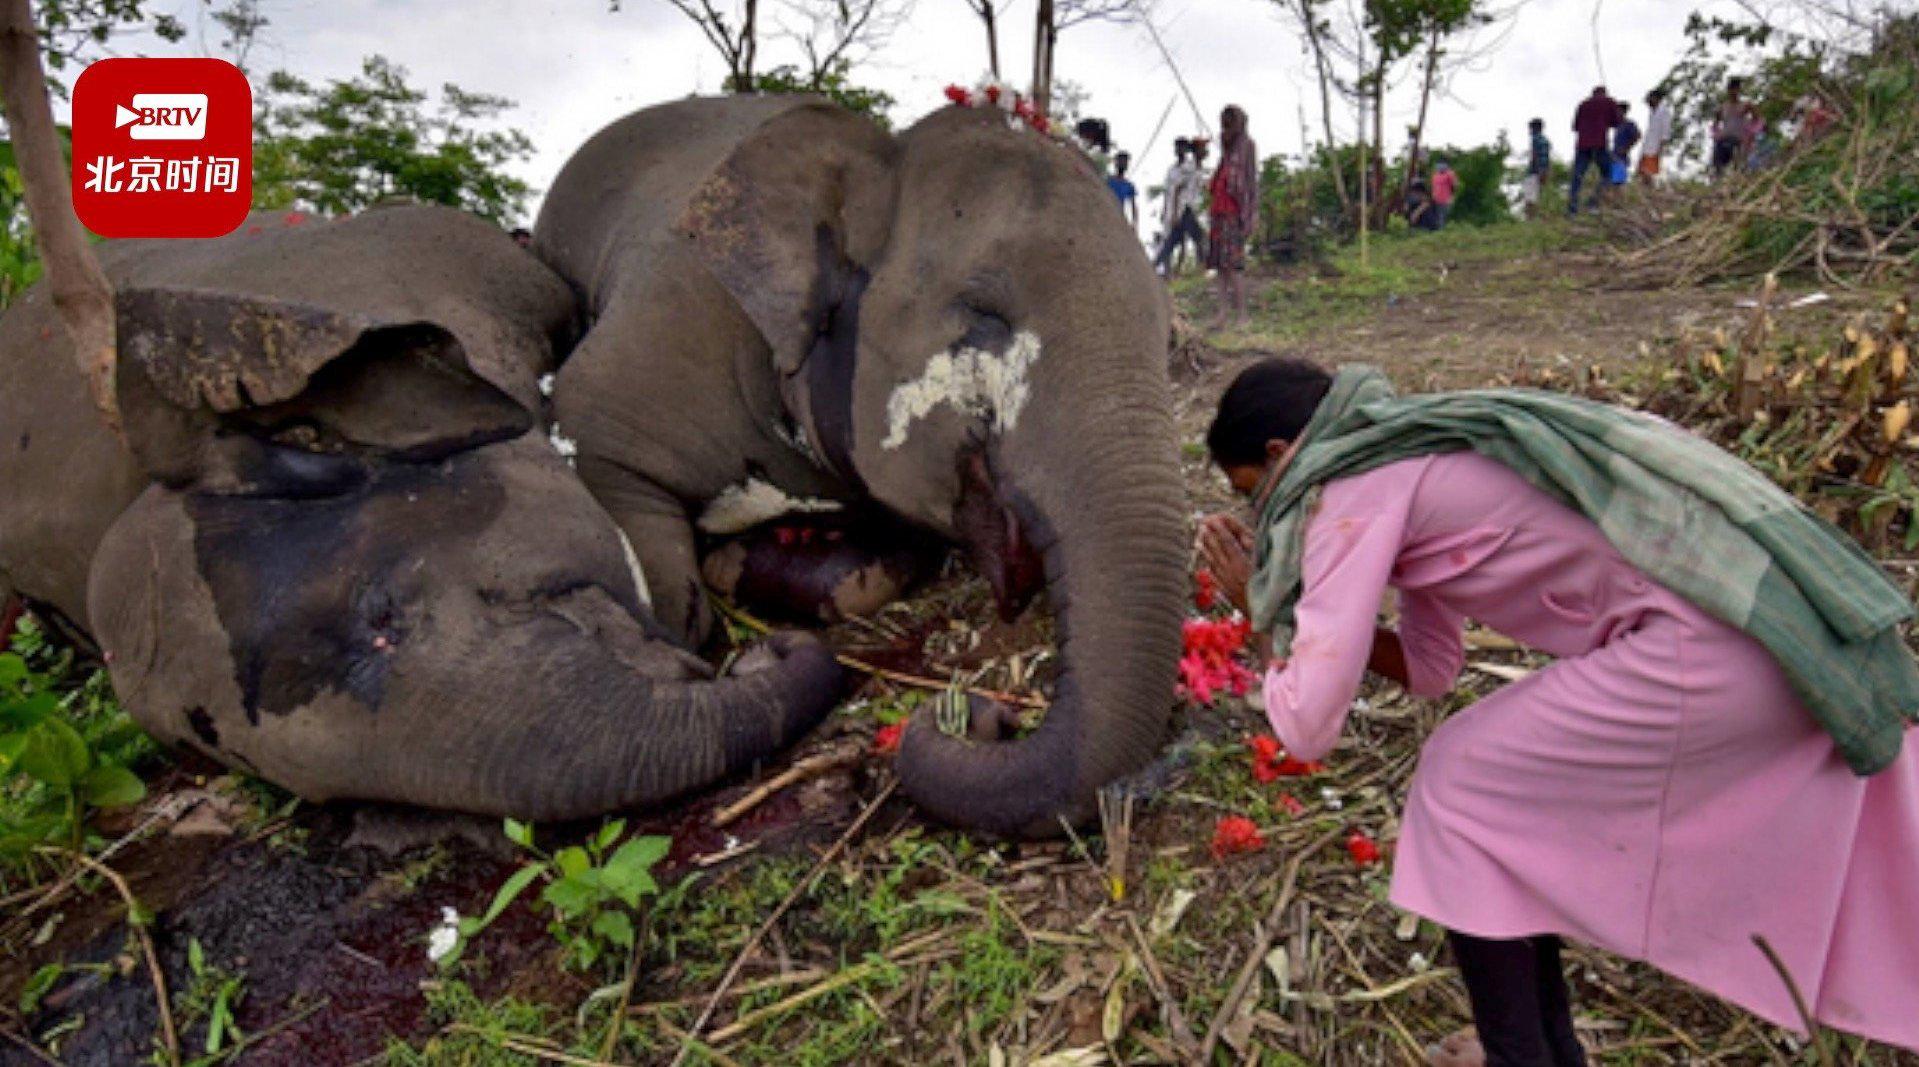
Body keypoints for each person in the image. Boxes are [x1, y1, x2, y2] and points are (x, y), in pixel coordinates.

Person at [1196, 357, 1919, 1066]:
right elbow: (1430, 666)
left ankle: (1521, 1053)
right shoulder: (1414, 453)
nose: (1258, 513)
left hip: (1704, 648)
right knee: (1484, 801)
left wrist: (1262, 611)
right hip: (1735, 635)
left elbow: (1306, 724)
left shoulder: (1344, 490)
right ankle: (1545, 1049)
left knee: (1459, 778)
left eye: (1250, 491)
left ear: (1280, 453)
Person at [1207, 104, 1258, 332]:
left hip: (1233, 214)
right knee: (1220, 265)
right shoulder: (1226, 152)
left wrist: (1251, 214)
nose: (1225, 128)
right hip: (1218, 213)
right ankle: (1222, 313)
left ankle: (1242, 316)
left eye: (1229, 123)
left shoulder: (1246, 146)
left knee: (1234, 266)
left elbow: (1249, 182)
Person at [1153, 137, 1208, 276]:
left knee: (1172, 242)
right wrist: (1174, 214)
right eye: (1203, 148)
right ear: (1196, 151)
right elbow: (1177, 190)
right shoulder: (1189, 167)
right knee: (1199, 238)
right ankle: (1201, 270)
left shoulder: (1199, 169)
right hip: (1183, 209)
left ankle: (1154, 267)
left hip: (1191, 209)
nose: (1206, 151)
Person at [1568, 85, 1621, 215]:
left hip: (1582, 145)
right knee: (1608, 173)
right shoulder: (1609, 102)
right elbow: (1617, 122)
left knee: (1577, 176)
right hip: (1599, 143)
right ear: (1604, 93)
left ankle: (1572, 210)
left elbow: (1574, 127)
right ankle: (1593, 202)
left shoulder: (1583, 104)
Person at [1711, 77, 1758, 177]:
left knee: (1739, 166)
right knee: (1719, 165)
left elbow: (1757, 119)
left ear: (1739, 90)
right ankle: (1719, 181)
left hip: (1739, 140)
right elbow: (1715, 124)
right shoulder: (1722, 107)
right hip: (1724, 139)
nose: (1734, 92)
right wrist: (1716, 135)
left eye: (1736, 89)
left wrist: (1751, 133)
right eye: (1731, 89)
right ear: (1728, 90)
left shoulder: (1746, 105)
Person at [1636, 88, 1673, 184]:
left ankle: (1650, 192)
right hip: (1647, 146)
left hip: (1654, 148)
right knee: (1642, 172)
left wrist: (1661, 149)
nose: (1647, 102)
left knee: (1650, 174)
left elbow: (1665, 133)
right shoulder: (1652, 113)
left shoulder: (1664, 112)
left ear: (1656, 99)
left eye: (1649, 99)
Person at [1522, 118, 1551, 218]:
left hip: (1534, 172)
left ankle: (1530, 219)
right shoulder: (1546, 141)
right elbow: (1546, 158)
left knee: (1530, 198)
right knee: (1538, 197)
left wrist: (1540, 171)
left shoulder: (1535, 139)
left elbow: (1535, 156)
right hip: (1542, 171)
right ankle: (1536, 219)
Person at [1107, 151, 1139, 228]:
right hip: (1106, 214)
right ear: (1116, 163)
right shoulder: (1107, 181)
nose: (1123, 163)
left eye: (1125, 162)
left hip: (1118, 217)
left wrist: (1134, 224)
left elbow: (1134, 206)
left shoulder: (1129, 185)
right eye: (1121, 161)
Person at [1611, 102, 1640, 173]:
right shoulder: (1617, 125)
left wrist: (1626, 148)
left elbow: (1637, 136)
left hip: (1622, 157)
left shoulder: (1629, 124)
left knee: (1618, 180)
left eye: (1618, 111)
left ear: (1624, 112)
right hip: (1614, 156)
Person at [1430, 161, 1457, 228]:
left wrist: (1451, 197)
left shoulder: (1450, 174)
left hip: (1446, 199)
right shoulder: (1435, 175)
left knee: (1443, 216)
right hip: (1436, 199)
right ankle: (1439, 231)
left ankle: (1442, 232)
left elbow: (1454, 186)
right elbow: (1433, 187)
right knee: (1438, 216)